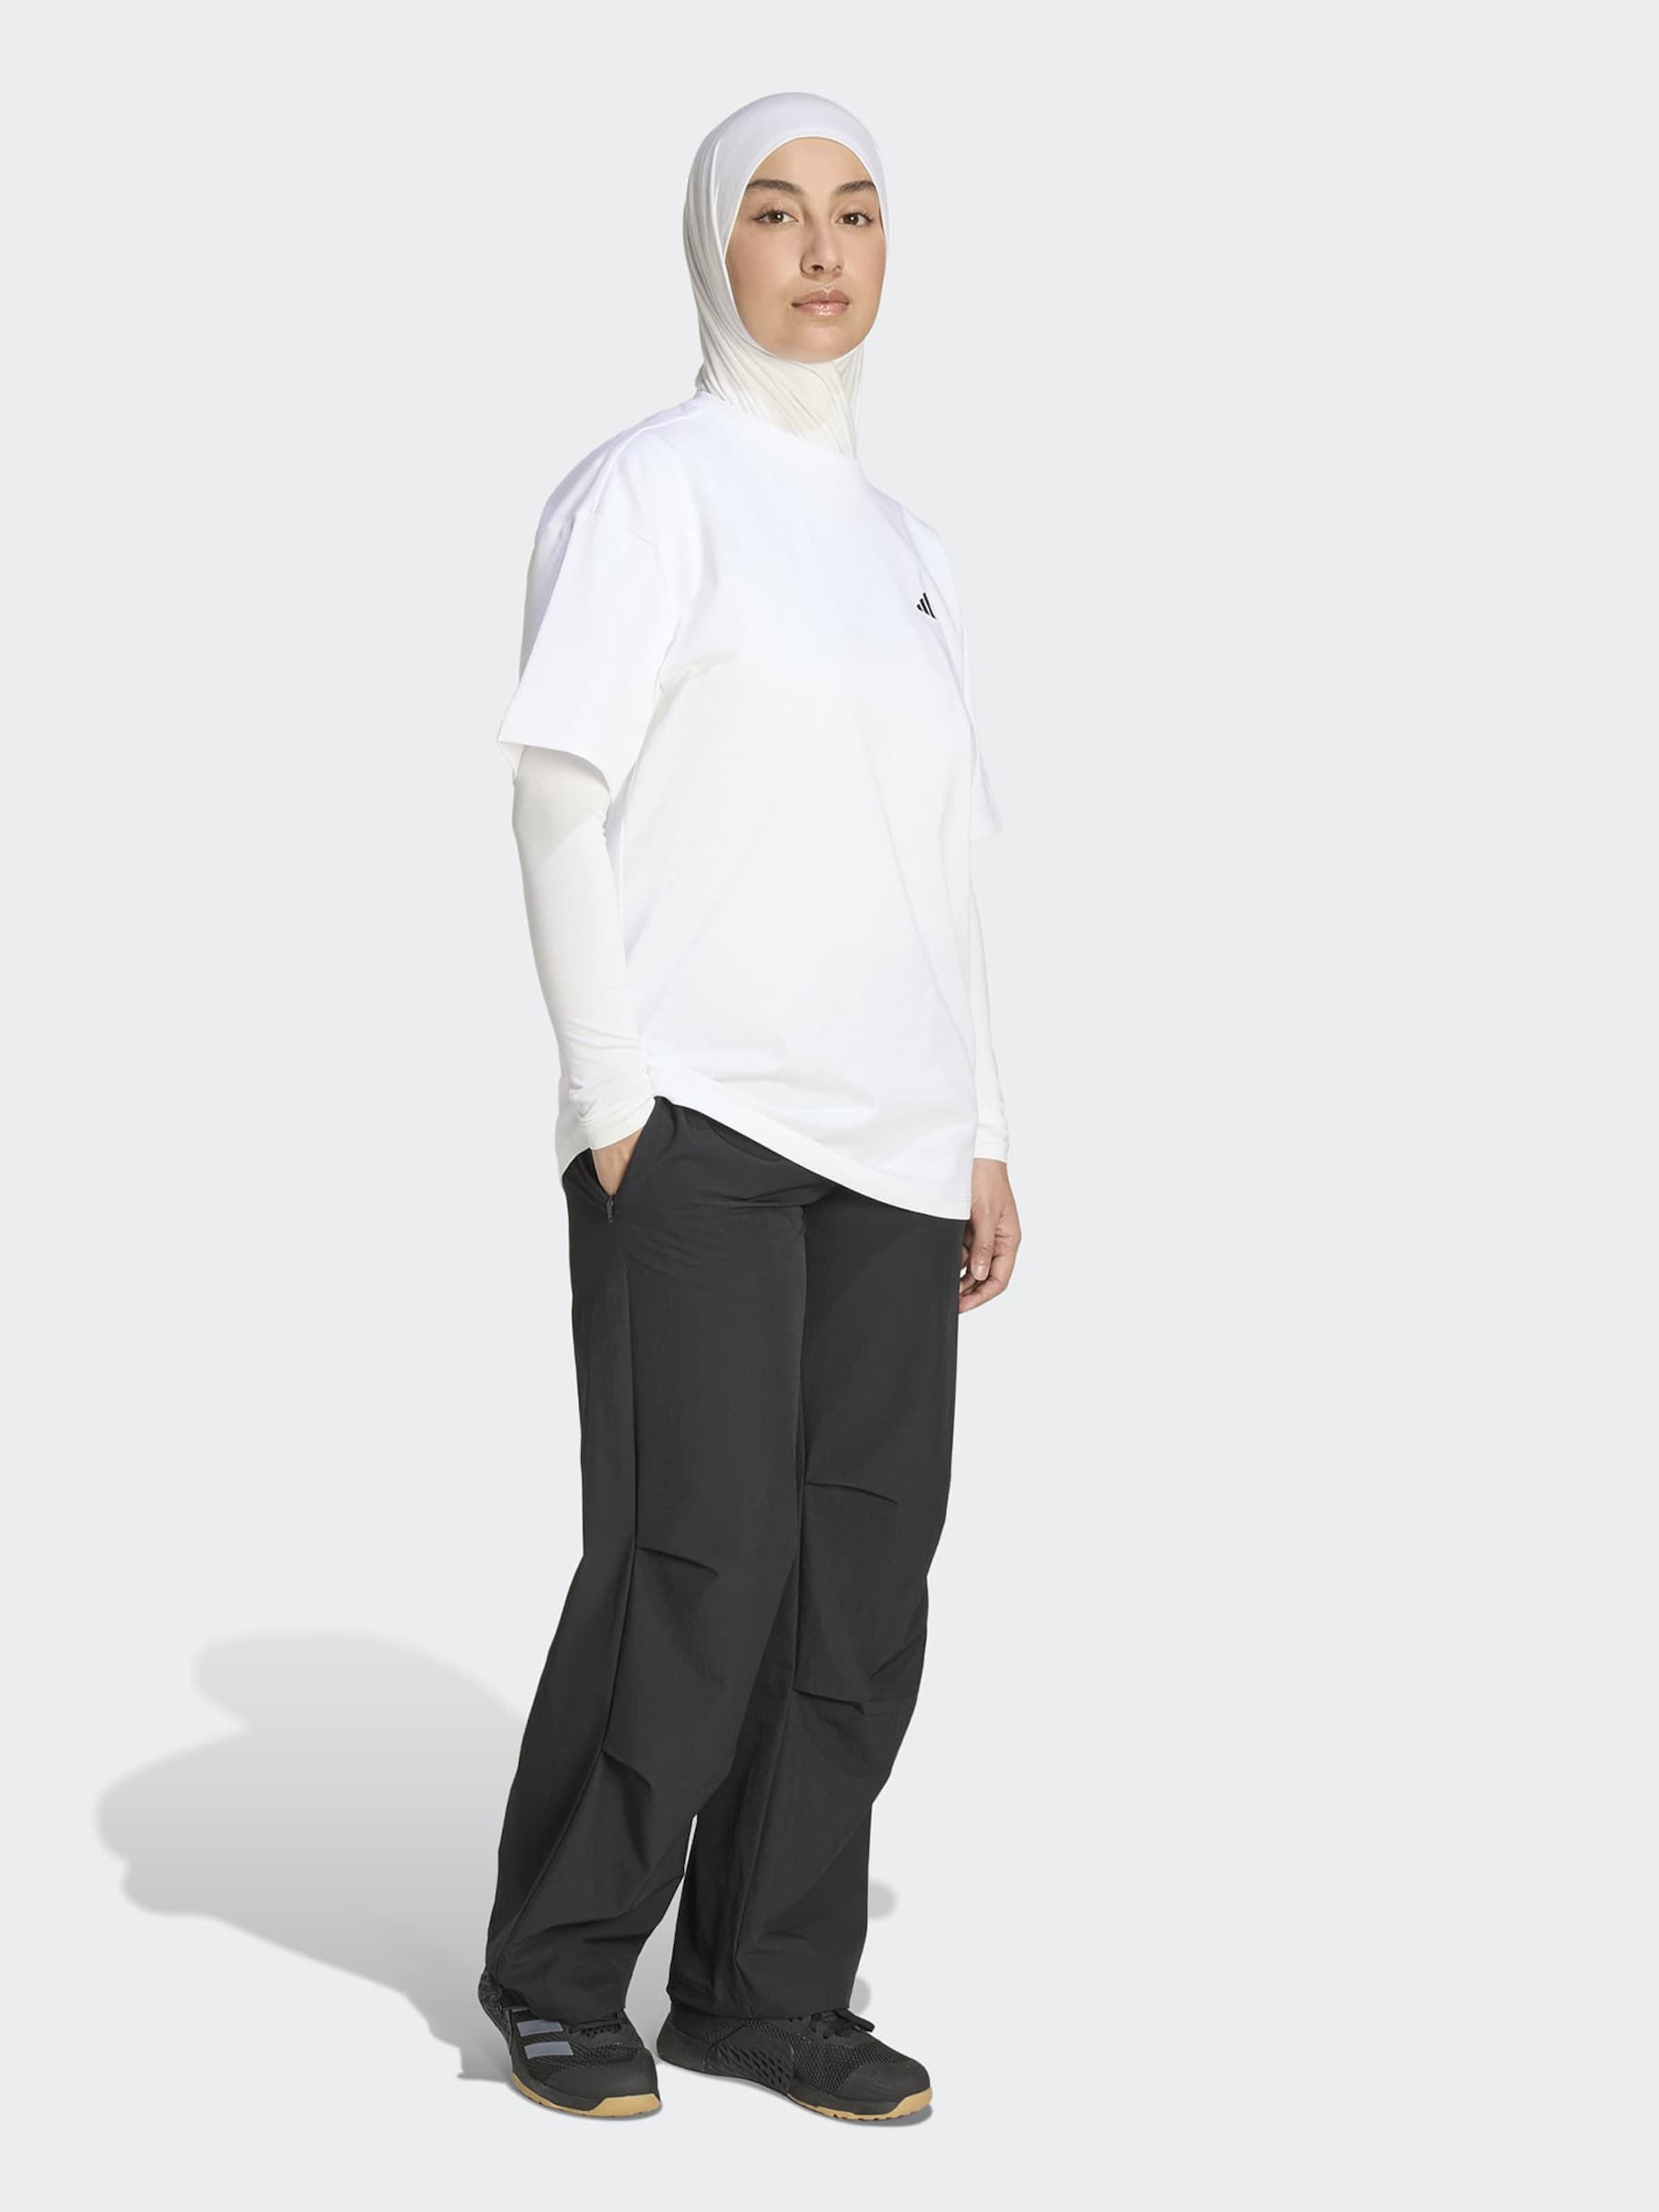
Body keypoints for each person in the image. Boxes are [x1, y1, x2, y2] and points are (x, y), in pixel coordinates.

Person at [478, 89, 1022, 2124]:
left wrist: (982, 1122)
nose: (821, 250)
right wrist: (608, 1095)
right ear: (715, 246)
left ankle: (765, 1988)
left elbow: (943, 860)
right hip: (699, 1116)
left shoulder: (908, 548)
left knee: (858, 1585)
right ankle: (560, 1969)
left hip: (895, 1142)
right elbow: (558, 791)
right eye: (778, 212)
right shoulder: (651, 493)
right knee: (691, 1563)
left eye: (857, 213)